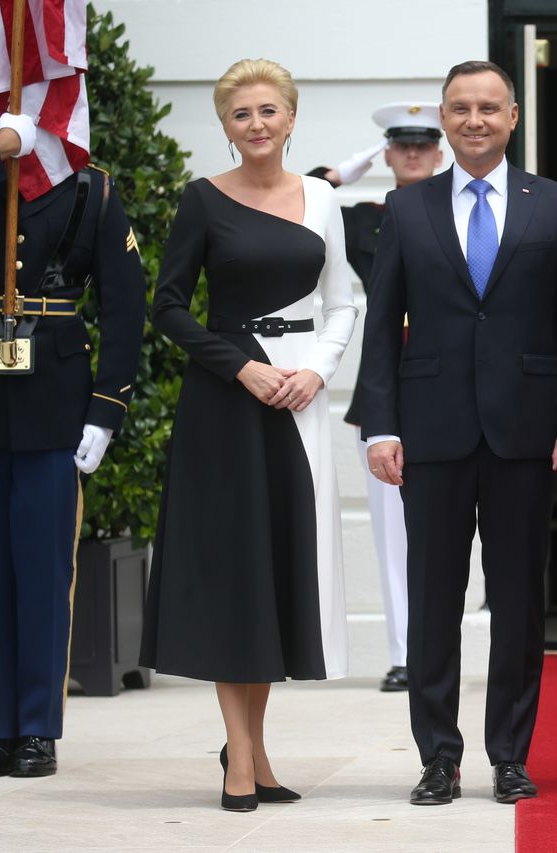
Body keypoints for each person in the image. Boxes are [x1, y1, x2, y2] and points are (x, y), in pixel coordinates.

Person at [357, 60, 557, 806]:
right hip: (431, 433)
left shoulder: (555, 205)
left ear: (513, 116)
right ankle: (438, 756)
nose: (474, 120)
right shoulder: (407, 210)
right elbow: (380, 331)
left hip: (526, 433)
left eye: (488, 108)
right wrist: (380, 426)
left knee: (520, 602)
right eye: (460, 108)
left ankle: (510, 754)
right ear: (443, 116)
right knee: (434, 602)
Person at [139, 59, 357, 812]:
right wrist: (241, 370)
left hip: (301, 399)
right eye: (242, 114)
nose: (257, 124)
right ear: (225, 126)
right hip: (229, 403)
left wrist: (318, 371)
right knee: (239, 577)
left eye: (269, 111)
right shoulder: (201, 200)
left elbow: (342, 304)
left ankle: (254, 752)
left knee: (277, 574)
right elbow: (168, 306)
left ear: (292, 119)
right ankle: (241, 764)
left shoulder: (325, 199)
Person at [0, 118, 147, 778]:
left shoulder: (92, 189)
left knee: (43, 571)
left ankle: (36, 726)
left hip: (56, 401)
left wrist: (106, 409)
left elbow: (124, 306)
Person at [311, 103, 445, 693]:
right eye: (401, 146)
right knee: (394, 535)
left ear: (438, 153)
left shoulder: (462, 210)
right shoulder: (367, 220)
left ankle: (444, 648)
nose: (413, 154)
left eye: (422, 145)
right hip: (390, 384)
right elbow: (304, 203)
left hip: (454, 383)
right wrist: (341, 174)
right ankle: (406, 654)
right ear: (387, 154)